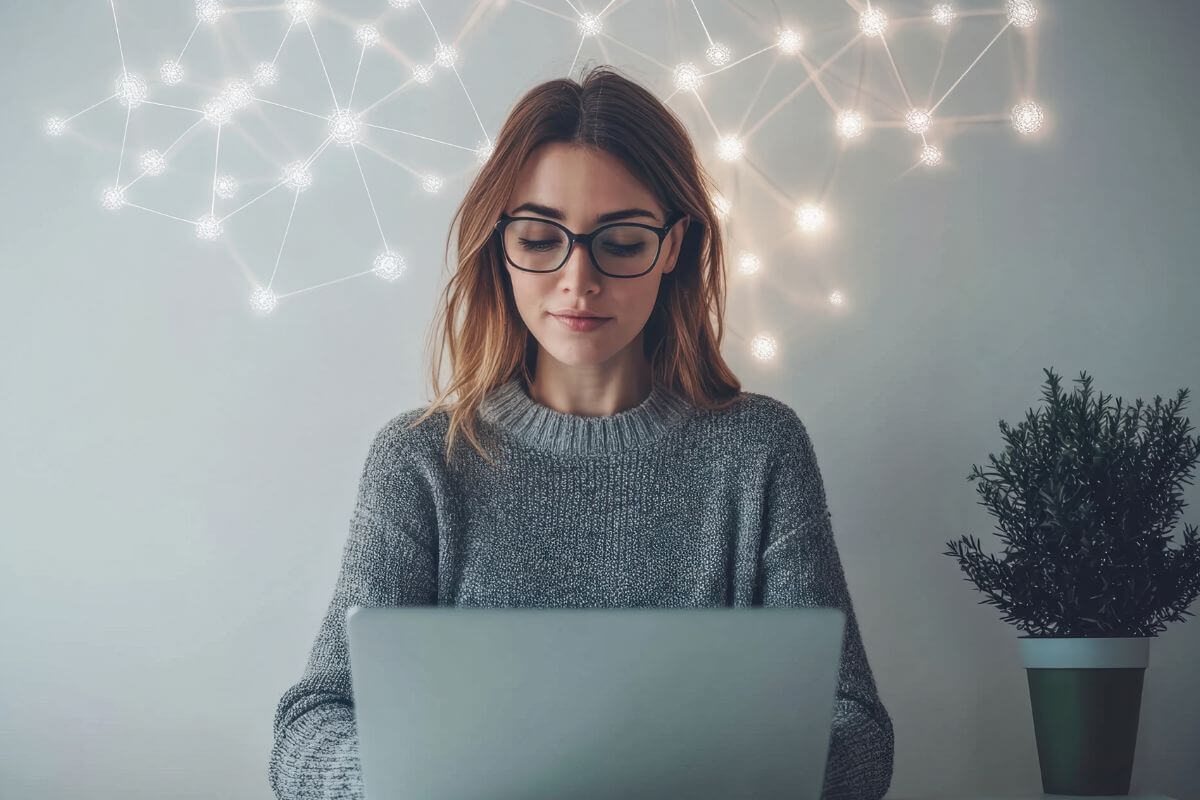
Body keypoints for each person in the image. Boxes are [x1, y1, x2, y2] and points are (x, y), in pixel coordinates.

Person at [268, 64, 894, 800]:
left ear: (674, 246)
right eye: (540, 238)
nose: (578, 280)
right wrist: (414, 781)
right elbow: (308, 729)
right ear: (500, 248)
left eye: (621, 243)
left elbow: (854, 729)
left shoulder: (760, 450)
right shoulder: (420, 461)